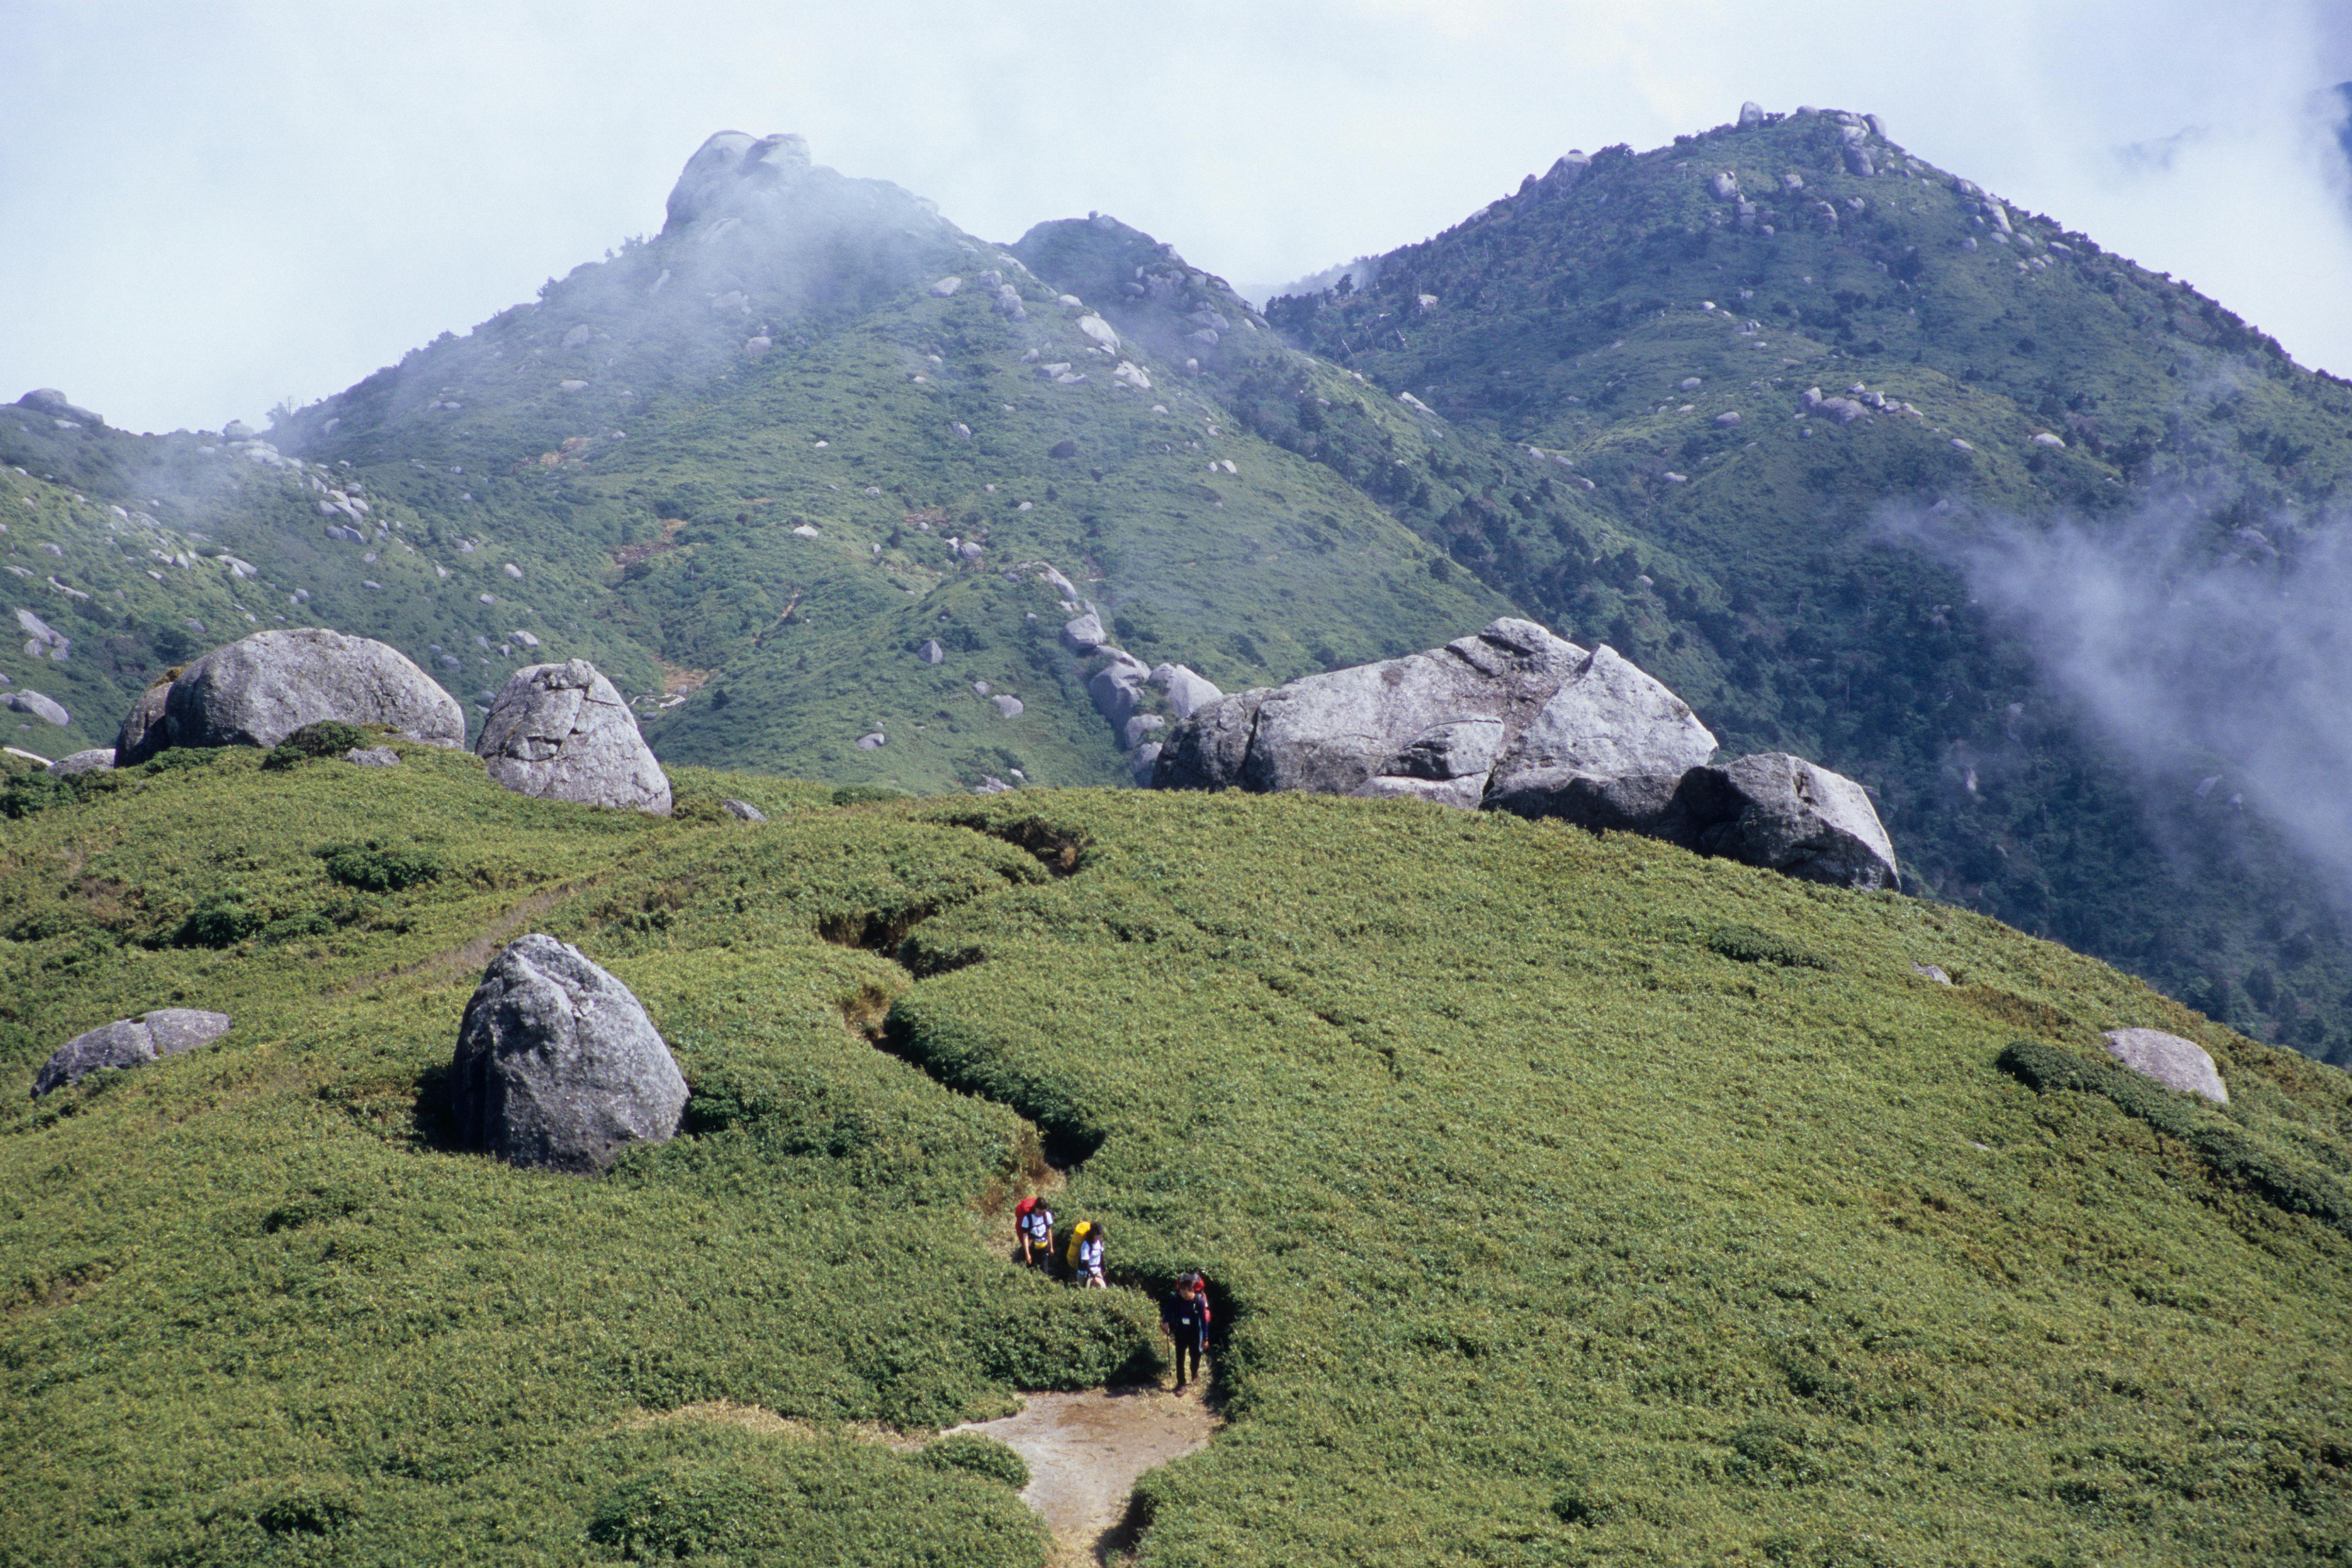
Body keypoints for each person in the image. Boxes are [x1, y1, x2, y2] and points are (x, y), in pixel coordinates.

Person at [1161, 1271, 1211, 1391]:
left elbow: (1204, 1321)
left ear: (1192, 1291)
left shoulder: (1199, 1301)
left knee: (1195, 1356)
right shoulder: (1176, 1298)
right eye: (1181, 1293)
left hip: (1194, 1333)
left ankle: (1194, 1374)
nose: (1183, 1296)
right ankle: (1181, 1384)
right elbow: (1168, 1310)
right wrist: (1166, 1321)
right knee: (1180, 1358)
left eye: (1186, 1294)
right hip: (1181, 1332)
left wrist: (1206, 1338)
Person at [1016, 1196, 1055, 1269]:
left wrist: (1051, 1248)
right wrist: (1028, 1255)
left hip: (1044, 1248)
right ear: (1036, 1208)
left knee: (1045, 1273)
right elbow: (1025, 1238)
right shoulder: (1027, 1219)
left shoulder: (1047, 1215)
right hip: (1032, 1250)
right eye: (1040, 1211)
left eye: (1043, 1211)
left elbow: (1049, 1232)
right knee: (1029, 1270)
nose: (1041, 1213)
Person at [1069, 1220, 1106, 1288]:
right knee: (1084, 1293)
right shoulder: (1087, 1245)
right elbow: (1086, 1263)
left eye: (1100, 1235)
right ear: (1093, 1235)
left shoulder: (1099, 1243)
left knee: (1103, 1289)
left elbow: (1101, 1257)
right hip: (1086, 1274)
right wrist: (1094, 1277)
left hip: (1097, 1271)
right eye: (1098, 1235)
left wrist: (1104, 1269)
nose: (1099, 1237)